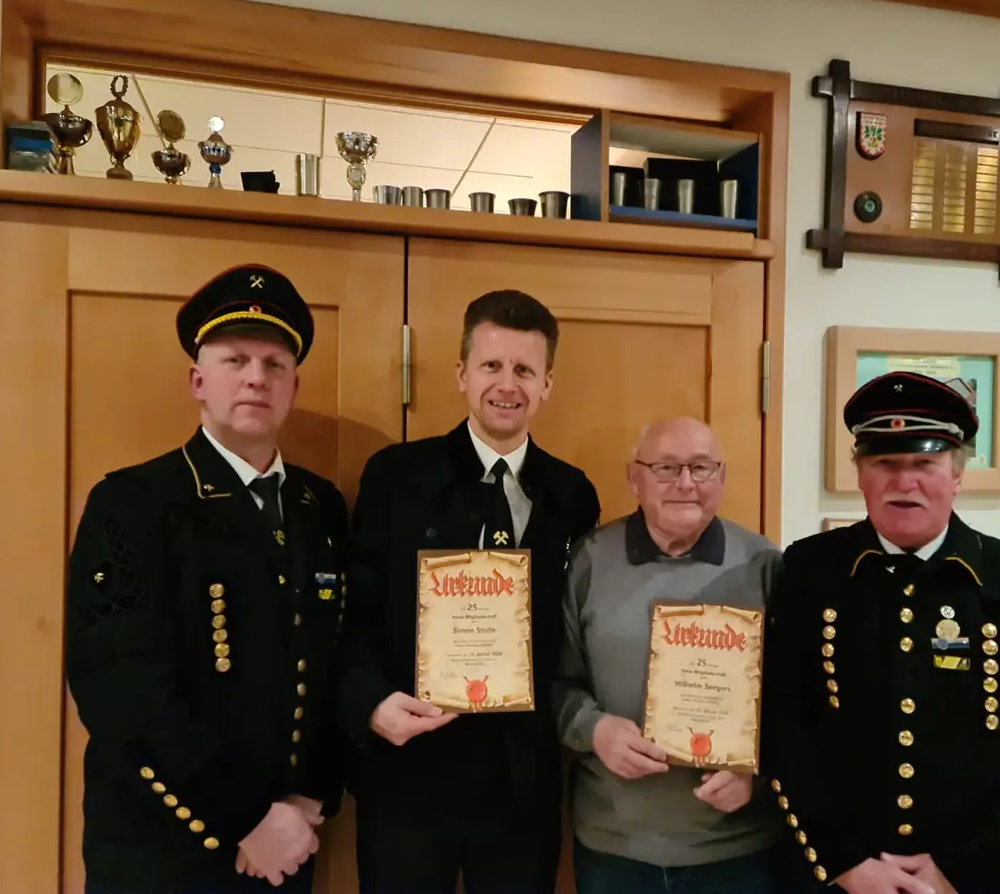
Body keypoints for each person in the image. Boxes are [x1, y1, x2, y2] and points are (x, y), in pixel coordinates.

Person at [761, 372, 1000, 894]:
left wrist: (967, 874)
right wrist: (846, 861)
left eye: (925, 463)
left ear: (956, 475)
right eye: (884, 463)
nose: (905, 482)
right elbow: (783, 726)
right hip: (847, 880)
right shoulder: (812, 572)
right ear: (860, 475)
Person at [63, 264, 351, 893]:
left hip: (287, 845)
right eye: (235, 360)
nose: (256, 377)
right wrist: (244, 819)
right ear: (198, 380)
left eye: (275, 364)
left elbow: (332, 659)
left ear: (294, 385)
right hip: (162, 847)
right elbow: (120, 687)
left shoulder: (319, 507)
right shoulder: (135, 503)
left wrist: (312, 796)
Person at [337, 289, 601, 894]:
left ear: (546, 384)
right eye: (491, 365)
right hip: (408, 772)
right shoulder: (396, 477)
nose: (507, 385)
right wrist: (370, 704)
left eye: (524, 370)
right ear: (461, 374)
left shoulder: (571, 493)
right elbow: (355, 617)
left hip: (520, 787)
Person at [553, 417, 785, 894]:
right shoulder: (591, 560)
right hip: (615, 846)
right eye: (665, 467)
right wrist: (594, 729)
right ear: (634, 478)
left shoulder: (765, 564)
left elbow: (796, 700)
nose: (685, 483)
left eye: (701, 468)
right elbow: (555, 680)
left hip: (738, 851)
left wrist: (756, 772)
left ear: (721, 478)